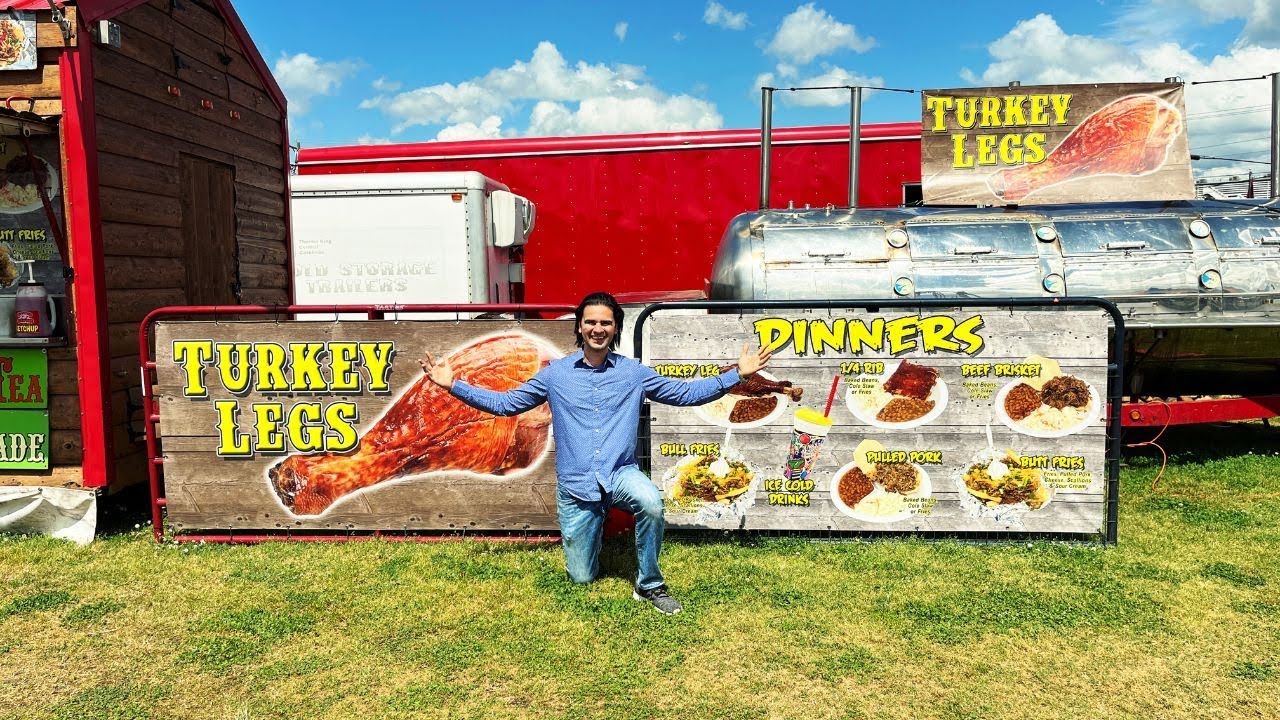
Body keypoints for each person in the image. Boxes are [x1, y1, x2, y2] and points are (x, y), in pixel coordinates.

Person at [420, 291, 771, 614]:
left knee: (651, 502)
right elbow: (507, 403)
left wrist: (736, 376)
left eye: (605, 322)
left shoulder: (634, 373)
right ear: (579, 327)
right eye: (590, 322)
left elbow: (684, 394)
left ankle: (649, 584)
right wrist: (453, 385)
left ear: (615, 328)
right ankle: (593, 527)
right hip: (577, 486)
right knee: (582, 577)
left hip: (620, 474)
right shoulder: (555, 375)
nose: (597, 329)